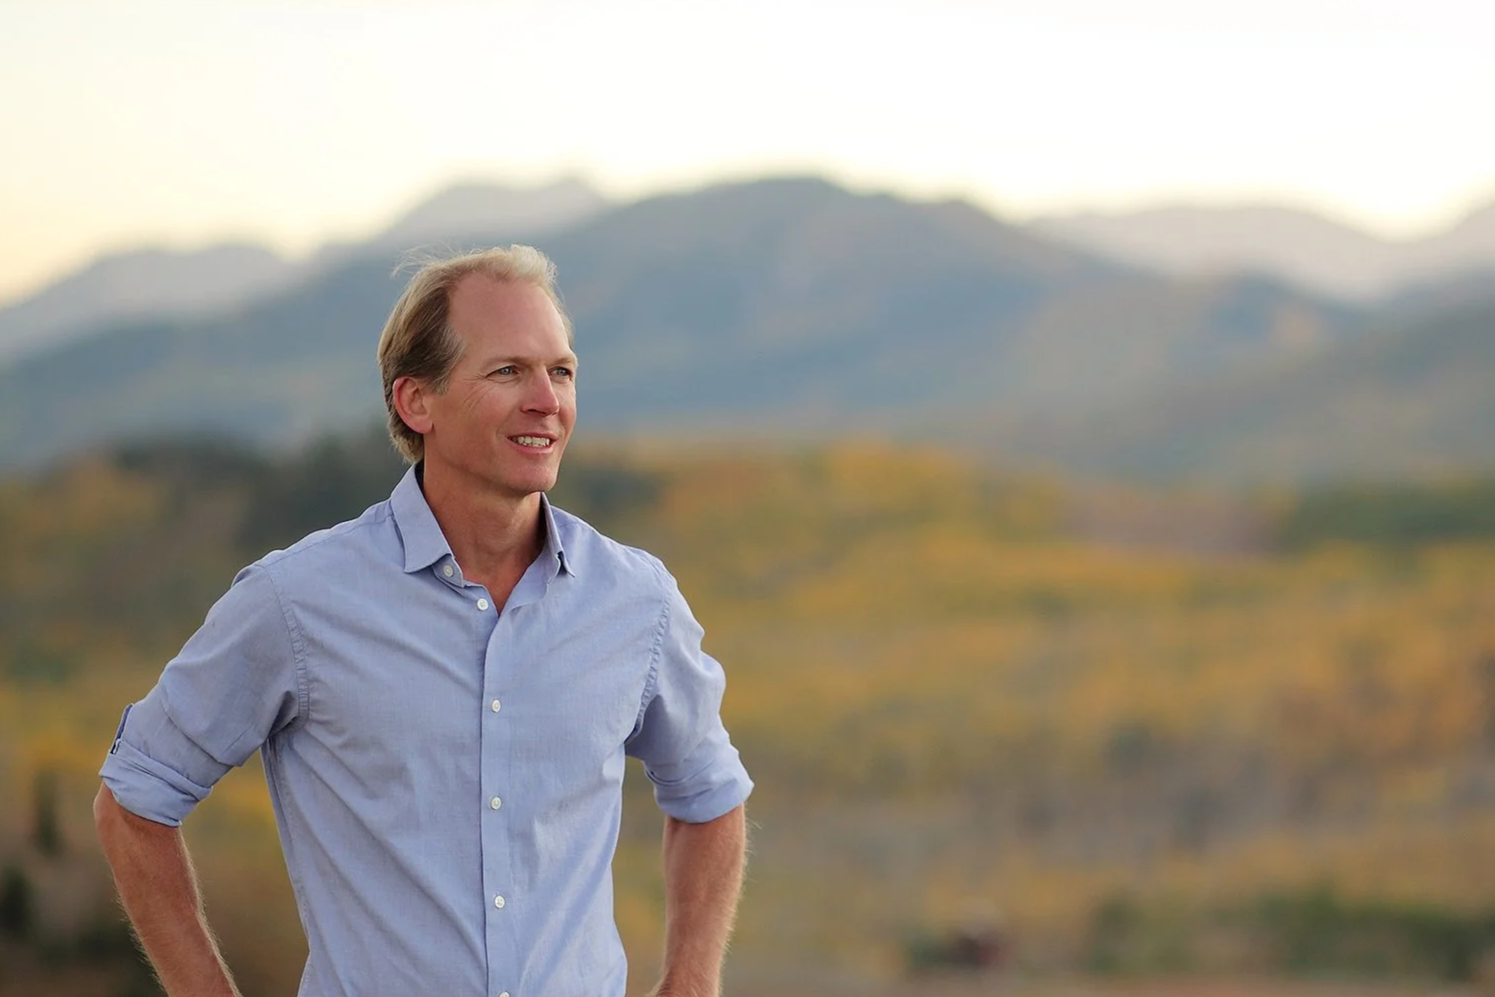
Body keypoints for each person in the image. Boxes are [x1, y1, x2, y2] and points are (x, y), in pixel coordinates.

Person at [93, 245, 753, 997]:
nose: (547, 400)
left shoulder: (637, 602)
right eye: (508, 371)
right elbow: (134, 798)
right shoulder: (297, 602)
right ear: (416, 402)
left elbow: (709, 796)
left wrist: (691, 980)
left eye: (562, 371)